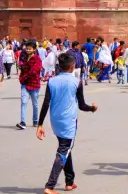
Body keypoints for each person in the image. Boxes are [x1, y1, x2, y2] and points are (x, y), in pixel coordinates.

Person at [36, 52, 97, 194]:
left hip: (55, 121)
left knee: (66, 147)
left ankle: (69, 181)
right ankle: (50, 186)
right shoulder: (76, 82)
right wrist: (92, 108)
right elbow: (82, 105)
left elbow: (46, 103)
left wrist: (40, 124)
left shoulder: (52, 81)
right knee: (64, 150)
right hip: (69, 121)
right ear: (73, 66)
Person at [17, 41, 43, 130]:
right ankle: (23, 122)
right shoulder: (24, 58)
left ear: (34, 49)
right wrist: (22, 78)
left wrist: (23, 77)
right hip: (25, 83)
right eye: (27, 49)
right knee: (23, 102)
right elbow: (22, 69)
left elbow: (34, 71)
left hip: (34, 84)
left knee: (35, 104)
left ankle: (35, 120)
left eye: (29, 49)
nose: (27, 50)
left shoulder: (37, 59)